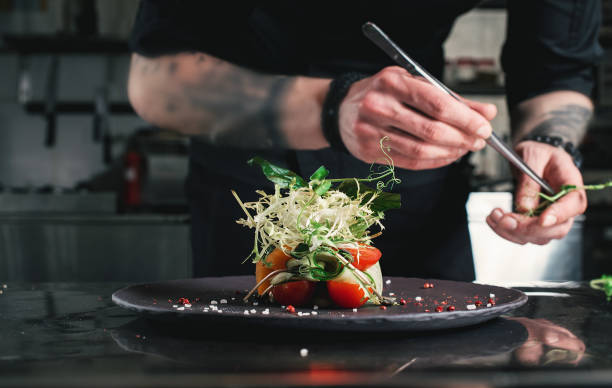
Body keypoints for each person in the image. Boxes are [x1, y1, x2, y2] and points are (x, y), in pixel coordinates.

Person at [127, 1, 601, 281]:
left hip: (416, 204)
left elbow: (556, 69)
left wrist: (551, 140)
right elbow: (154, 82)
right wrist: (333, 109)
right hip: (251, 198)